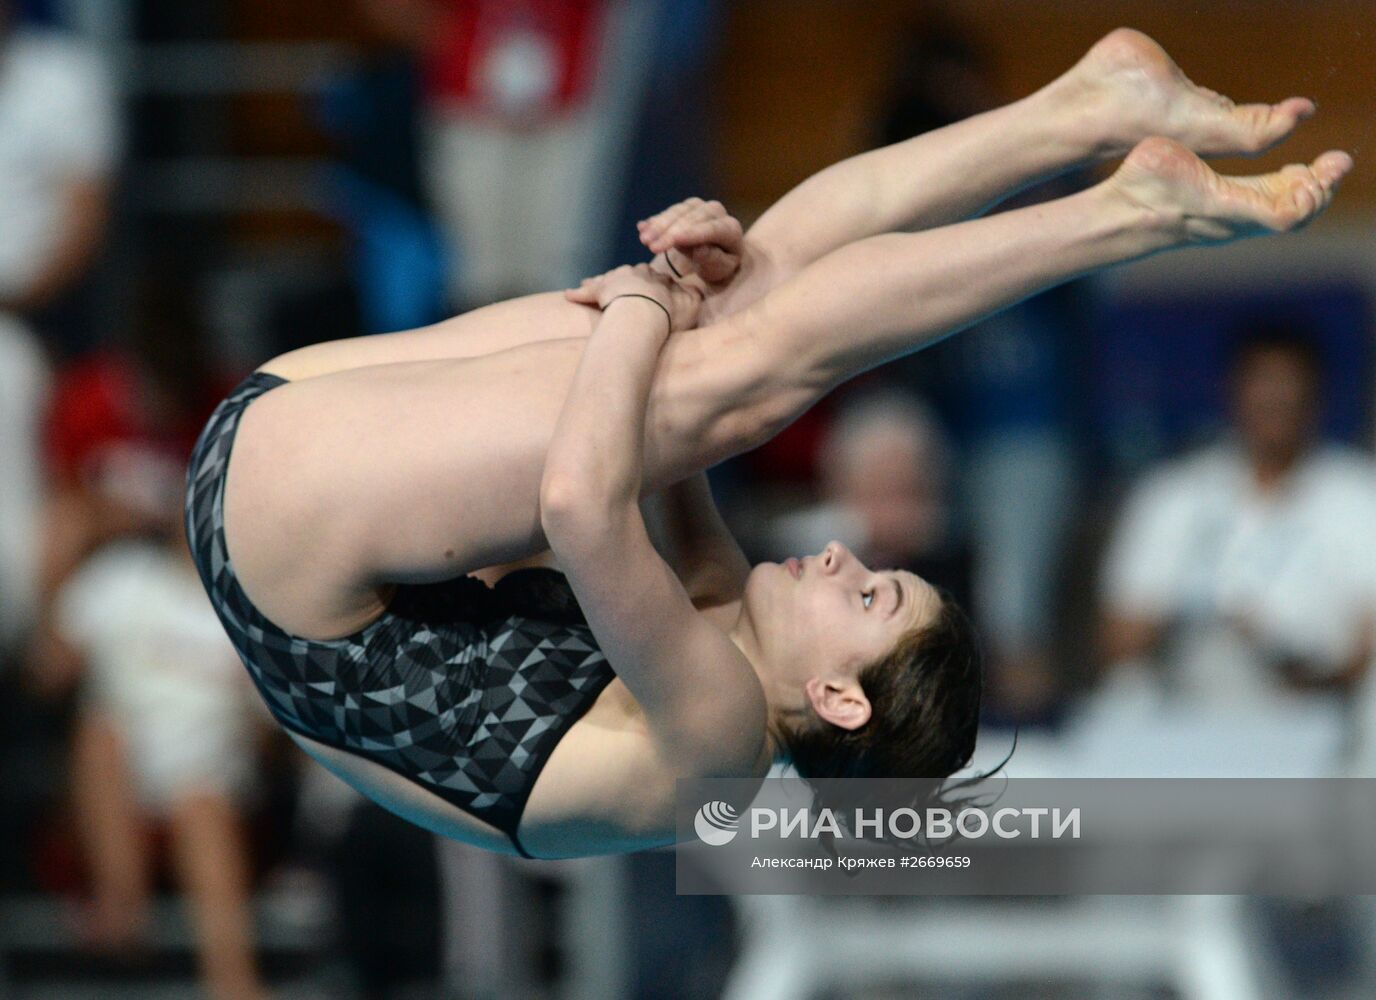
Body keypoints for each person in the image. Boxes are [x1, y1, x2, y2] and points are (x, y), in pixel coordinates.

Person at [185, 29, 1351, 860]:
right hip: (281, 482)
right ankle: (1089, 106)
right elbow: (660, 471)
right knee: (748, 311)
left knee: (728, 375)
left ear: (837, 699)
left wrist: (649, 299)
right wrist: (695, 281)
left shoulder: (719, 743)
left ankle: (1122, 210)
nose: (843, 558)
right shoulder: (715, 645)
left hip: (286, 556)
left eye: (872, 597)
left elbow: (583, 505)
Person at [1100, 327, 1376, 707]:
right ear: (1233, 392)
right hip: (1185, 711)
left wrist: (1290, 668)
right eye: (1264, 386)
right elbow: (1120, 638)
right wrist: (1211, 630)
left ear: (1317, 396)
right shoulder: (1175, 493)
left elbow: (1368, 644)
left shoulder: (1361, 492)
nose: (1277, 401)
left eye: (1289, 386)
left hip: (1321, 710)